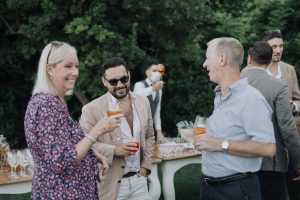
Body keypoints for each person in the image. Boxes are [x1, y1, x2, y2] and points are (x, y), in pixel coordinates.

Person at [24, 41, 123, 199]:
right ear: (50, 69)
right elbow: (62, 161)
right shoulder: (46, 106)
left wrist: (92, 153)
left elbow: (61, 147)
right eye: (68, 66)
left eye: (76, 66)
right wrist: (98, 130)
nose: (75, 72)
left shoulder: (55, 102)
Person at [194, 37, 276, 200]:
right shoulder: (220, 96)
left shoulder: (250, 98)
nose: (205, 64)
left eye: (207, 58)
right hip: (209, 188)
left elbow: (268, 148)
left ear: (222, 59)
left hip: (235, 190)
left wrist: (221, 144)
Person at [79, 57, 155, 200]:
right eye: (113, 81)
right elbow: (85, 146)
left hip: (140, 180)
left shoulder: (143, 101)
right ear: (104, 81)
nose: (120, 85)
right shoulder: (91, 109)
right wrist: (114, 151)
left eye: (124, 79)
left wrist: (146, 166)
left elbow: (150, 136)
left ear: (129, 75)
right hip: (111, 185)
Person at [241, 30, 300, 200]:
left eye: (281, 46)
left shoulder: (289, 70)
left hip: (289, 142)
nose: (279, 50)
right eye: (274, 46)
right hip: (265, 146)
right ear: (266, 48)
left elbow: (297, 99)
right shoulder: (246, 73)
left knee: (295, 189)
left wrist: (293, 106)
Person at [133, 60, 165, 141]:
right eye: (154, 71)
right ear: (147, 72)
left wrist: (159, 131)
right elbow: (138, 95)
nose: (157, 73)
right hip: (135, 128)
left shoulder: (159, 91)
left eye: (159, 71)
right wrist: (153, 88)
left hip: (149, 130)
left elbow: (157, 112)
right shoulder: (139, 85)